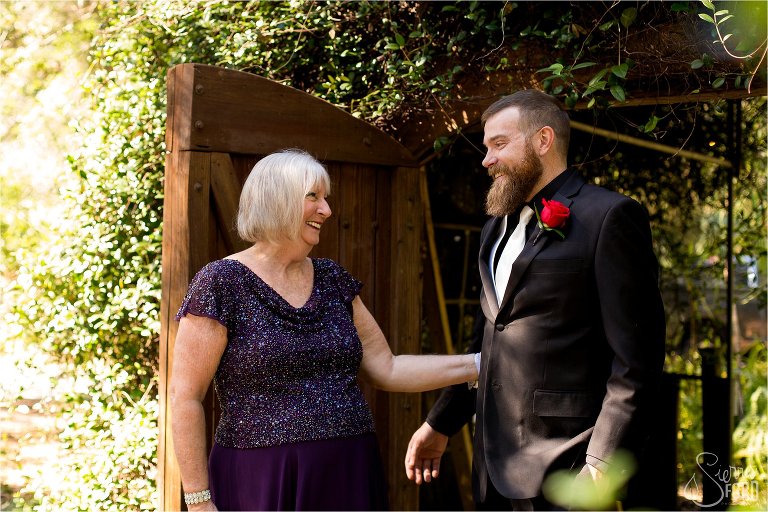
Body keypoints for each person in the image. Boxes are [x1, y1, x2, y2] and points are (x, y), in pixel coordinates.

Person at [170, 149, 479, 511]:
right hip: (259, 478)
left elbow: (388, 367)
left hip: (349, 472)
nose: (327, 210)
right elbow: (185, 396)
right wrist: (198, 500)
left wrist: (479, 363)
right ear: (277, 200)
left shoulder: (333, 279)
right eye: (313, 197)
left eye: (325, 198)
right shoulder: (221, 282)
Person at [405, 90, 666, 510]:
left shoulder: (609, 218)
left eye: (499, 144)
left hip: (569, 466)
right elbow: (486, 341)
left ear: (543, 140)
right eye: (486, 147)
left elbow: (639, 358)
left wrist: (601, 461)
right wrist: (441, 421)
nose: (486, 160)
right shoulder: (494, 229)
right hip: (492, 468)